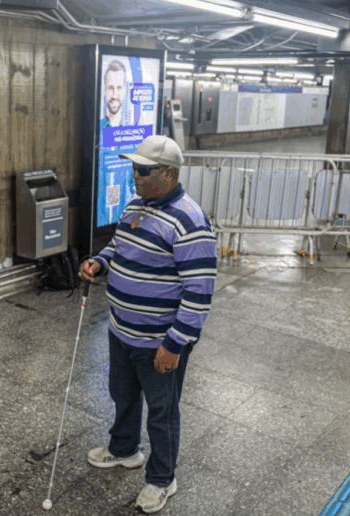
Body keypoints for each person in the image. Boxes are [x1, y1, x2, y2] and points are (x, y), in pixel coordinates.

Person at [80, 135, 217, 514]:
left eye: (142, 170)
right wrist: (100, 262)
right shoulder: (135, 206)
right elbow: (118, 247)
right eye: (133, 168)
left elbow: (199, 293)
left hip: (159, 341)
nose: (134, 176)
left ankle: (162, 479)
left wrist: (174, 345)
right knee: (122, 395)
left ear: (168, 173)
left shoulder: (190, 222)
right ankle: (125, 449)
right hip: (121, 331)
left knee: (162, 413)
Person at [100, 60, 127, 129]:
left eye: (119, 88)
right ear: (105, 90)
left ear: (124, 90)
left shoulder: (133, 129)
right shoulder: (97, 127)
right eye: (110, 88)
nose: (114, 95)